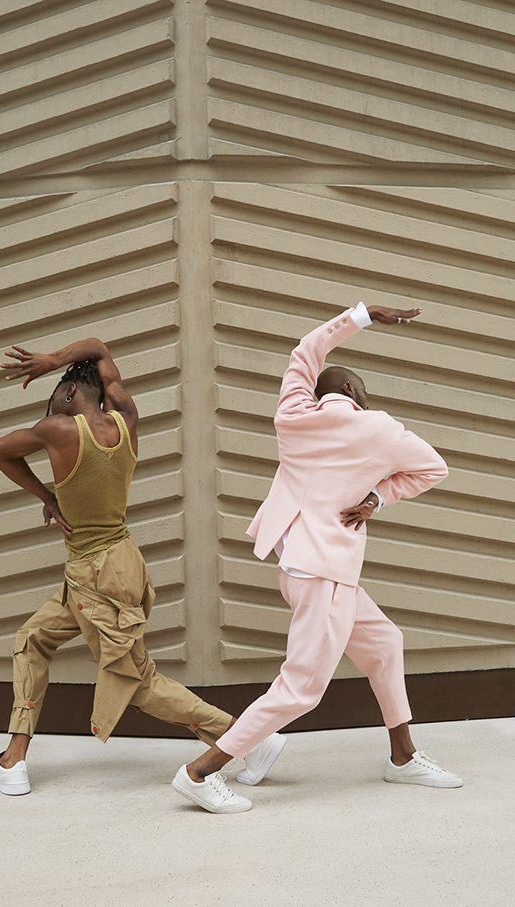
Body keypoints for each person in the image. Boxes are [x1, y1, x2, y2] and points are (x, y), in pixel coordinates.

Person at [171, 302, 463, 814]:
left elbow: (306, 350)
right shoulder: (381, 430)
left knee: (384, 643)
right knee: (302, 687)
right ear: (352, 393)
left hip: (298, 567)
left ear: (321, 392)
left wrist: (362, 315)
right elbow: (433, 469)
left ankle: (402, 756)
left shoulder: (292, 417)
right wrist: (378, 498)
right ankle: (201, 771)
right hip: (327, 574)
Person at [0, 338, 285, 806]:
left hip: (96, 574)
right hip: (114, 563)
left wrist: (48, 497)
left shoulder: (58, 429)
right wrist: (58, 360)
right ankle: (12, 760)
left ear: (69, 391)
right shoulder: (126, 418)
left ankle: (246, 738)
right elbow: (99, 350)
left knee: (136, 683)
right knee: (32, 639)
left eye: (55, 390)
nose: (51, 400)